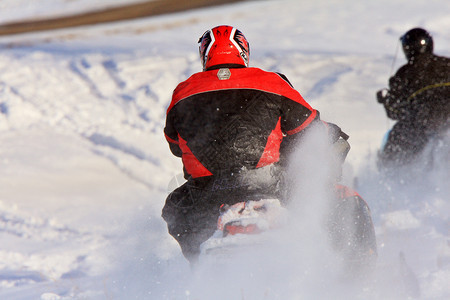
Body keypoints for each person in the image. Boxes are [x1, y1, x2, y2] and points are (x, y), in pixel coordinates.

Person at [162, 25, 374, 265]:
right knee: (339, 199)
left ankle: (198, 267)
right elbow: (311, 128)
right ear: (243, 51)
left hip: (206, 194)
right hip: (269, 184)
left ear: (205, 54)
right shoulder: (271, 82)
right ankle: (356, 271)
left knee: (175, 210)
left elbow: (174, 145)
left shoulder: (182, 93)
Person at [376, 27, 450, 168]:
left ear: (407, 48)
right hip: (443, 121)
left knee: (396, 140)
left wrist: (385, 101)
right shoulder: (447, 63)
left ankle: (389, 178)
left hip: (425, 121)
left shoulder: (405, 72)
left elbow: (395, 111)